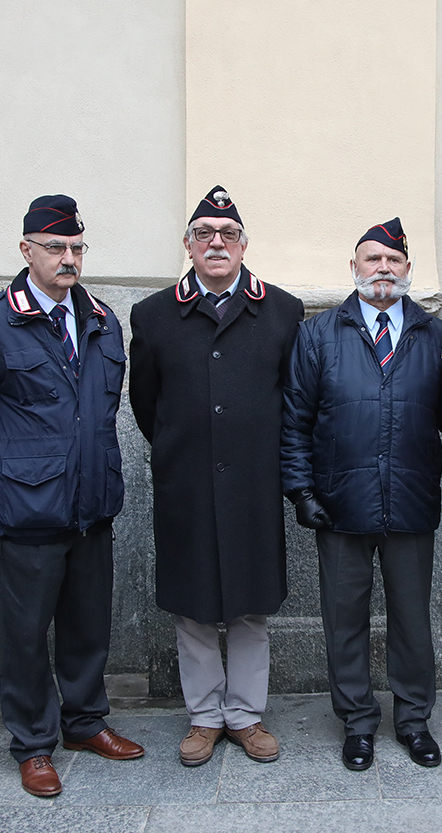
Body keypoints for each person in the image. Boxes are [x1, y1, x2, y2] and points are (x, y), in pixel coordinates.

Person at [0, 195, 143, 798]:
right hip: (27, 508)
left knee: (88, 624)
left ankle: (84, 722)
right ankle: (33, 742)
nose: (68, 258)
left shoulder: (101, 319)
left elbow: (102, 407)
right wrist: (12, 467)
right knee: (27, 632)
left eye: (77, 248)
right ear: (26, 250)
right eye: (55, 248)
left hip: (91, 502)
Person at [129, 186, 303, 767]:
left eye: (228, 234)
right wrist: (188, 451)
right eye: (204, 234)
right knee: (195, 606)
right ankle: (204, 717)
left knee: (251, 606)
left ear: (245, 244)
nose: (217, 243)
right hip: (188, 487)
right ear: (188, 246)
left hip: (254, 486)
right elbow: (146, 404)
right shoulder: (153, 315)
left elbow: (292, 397)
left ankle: (247, 716)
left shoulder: (282, 310)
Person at [282, 218, 442, 772]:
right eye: (371, 259)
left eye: (393, 260)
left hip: (410, 501)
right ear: (353, 268)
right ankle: (357, 722)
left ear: (408, 270)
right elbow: (296, 420)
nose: (382, 268)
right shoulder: (319, 334)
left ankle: (413, 720)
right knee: (344, 618)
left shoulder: (437, 336)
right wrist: (301, 489)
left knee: (411, 619)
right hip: (340, 504)